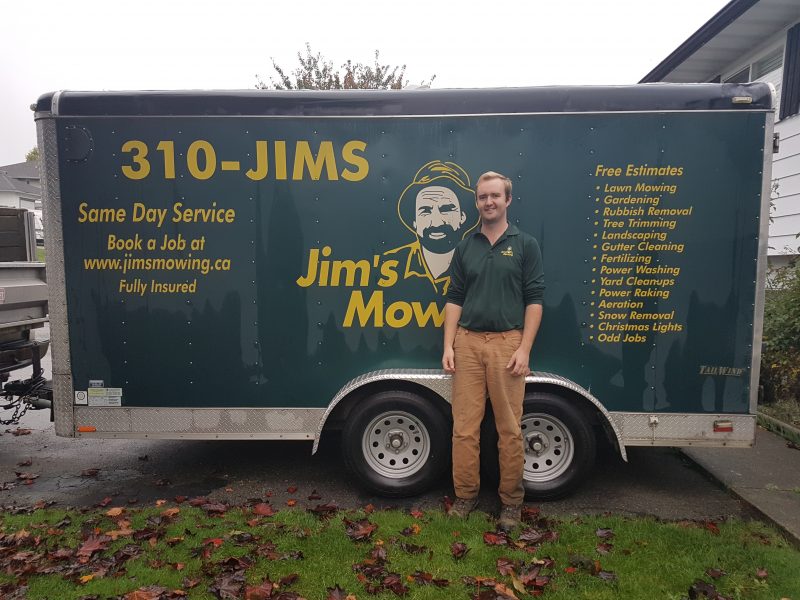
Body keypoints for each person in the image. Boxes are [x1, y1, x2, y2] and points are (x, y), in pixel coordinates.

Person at [442, 170, 544, 531]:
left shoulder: (526, 244)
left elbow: (535, 300)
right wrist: (449, 345)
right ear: (477, 201)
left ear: (508, 200)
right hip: (467, 343)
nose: (489, 202)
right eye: (483, 196)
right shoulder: (465, 246)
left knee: (509, 429)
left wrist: (525, 349)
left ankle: (511, 503)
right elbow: (454, 298)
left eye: (495, 196)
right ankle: (465, 496)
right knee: (464, 429)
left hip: (507, 345)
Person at [384, 161, 479, 295]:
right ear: (414, 221)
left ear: (462, 217)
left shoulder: (479, 263)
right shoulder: (391, 262)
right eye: (425, 211)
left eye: (446, 209)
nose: (436, 223)